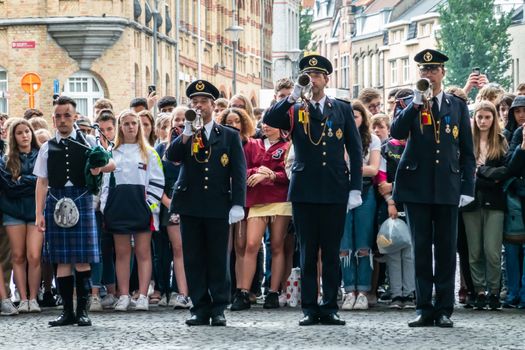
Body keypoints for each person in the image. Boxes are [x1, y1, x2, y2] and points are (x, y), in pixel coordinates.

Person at [263, 54, 363, 326]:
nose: (313, 79)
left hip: (334, 187)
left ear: (327, 79)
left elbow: (355, 150)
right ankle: (309, 306)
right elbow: (270, 118)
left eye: (317, 75)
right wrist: (294, 93)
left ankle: (330, 305)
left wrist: (355, 188)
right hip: (305, 188)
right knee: (307, 251)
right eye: (308, 74)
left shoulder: (340, 108)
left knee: (330, 251)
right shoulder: (296, 108)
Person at [390, 49, 476, 328]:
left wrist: (467, 186)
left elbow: (467, 151)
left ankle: (444, 309)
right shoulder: (407, 102)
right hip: (417, 186)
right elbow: (397, 134)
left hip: (448, 187)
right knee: (422, 249)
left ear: (442, 73)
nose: (428, 74)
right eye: (423, 71)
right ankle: (423, 307)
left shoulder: (457, 105)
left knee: (447, 249)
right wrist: (414, 104)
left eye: (433, 70)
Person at [165, 80, 246, 326]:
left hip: (218, 203)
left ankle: (219, 306)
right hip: (191, 202)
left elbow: (238, 171)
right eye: (194, 102)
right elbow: (172, 157)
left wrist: (237, 203)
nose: (198, 106)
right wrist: (187, 132)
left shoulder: (229, 135)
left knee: (218, 258)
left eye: (203, 102)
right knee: (193, 257)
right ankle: (199, 307)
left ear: (213, 105)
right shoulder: (185, 134)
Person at [34, 96, 115, 327]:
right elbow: (41, 182)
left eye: (66, 115)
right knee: (61, 261)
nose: (62, 120)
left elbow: (112, 164)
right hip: (56, 201)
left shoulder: (88, 140)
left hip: (81, 199)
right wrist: (39, 214)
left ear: (74, 117)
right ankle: (67, 312)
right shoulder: (46, 147)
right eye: (58, 116)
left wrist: (99, 167)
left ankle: (83, 311)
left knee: (82, 260)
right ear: (53, 119)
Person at [101, 109, 164, 312]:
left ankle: (143, 295)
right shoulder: (111, 153)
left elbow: (157, 182)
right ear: (120, 126)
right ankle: (124, 294)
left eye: (134, 123)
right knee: (121, 253)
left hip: (141, 209)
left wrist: (150, 205)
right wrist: (105, 206)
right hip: (118, 207)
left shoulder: (149, 152)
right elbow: (104, 183)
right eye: (126, 123)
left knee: (143, 252)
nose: (130, 127)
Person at [234, 122, 291, 310]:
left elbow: (289, 173)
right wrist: (258, 172)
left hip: (280, 200)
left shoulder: (287, 146)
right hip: (256, 199)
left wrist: (272, 175)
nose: (266, 127)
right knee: (251, 245)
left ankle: (273, 292)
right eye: (264, 123)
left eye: (272, 123)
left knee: (277, 246)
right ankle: (243, 291)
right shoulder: (252, 144)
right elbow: (242, 168)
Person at [461, 101, 509, 310]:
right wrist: (488, 177)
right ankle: (479, 290)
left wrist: (480, 173)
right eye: (479, 117)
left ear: (493, 119)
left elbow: (504, 173)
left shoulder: (500, 141)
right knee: (474, 250)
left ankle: (495, 291)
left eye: (487, 117)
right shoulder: (466, 141)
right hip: (470, 201)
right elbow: (463, 173)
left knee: (492, 250)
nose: (483, 121)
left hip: (495, 202)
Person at [340, 101, 381, 311]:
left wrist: (349, 169)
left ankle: (363, 290)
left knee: (363, 240)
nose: (353, 119)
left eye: (356, 116)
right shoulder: (339, 138)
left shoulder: (372, 139)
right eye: (350, 116)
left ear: (363, 118)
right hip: (341, 190)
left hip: (365, 190)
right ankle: (349, 289)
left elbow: (373, 169)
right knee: (344, 242)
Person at [0, 119, 41, 313]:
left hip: (35, 211)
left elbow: (43, 181)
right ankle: (23, 298)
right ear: (13, 137)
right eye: (20, 133)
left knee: (34, 255)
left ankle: (34, 298)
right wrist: (31, 183)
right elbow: (9, 187)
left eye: (27, 131)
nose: (25, 135)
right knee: (17, 255)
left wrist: (23, 179)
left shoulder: (41, 155)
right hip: (13, 211)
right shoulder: (6, 160)